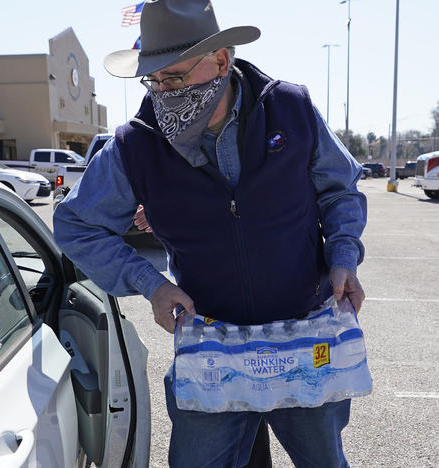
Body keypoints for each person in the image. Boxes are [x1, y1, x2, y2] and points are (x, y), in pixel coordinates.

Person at [53, 1, 367, 467]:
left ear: (222, 60)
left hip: (307, 334)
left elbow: (340, 191)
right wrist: (152, 285)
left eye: (174, 77)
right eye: (153, 80)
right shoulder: (136, 144)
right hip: (211, 348)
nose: (163, 92)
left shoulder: (291, 111)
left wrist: (343, 257)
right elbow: (75, 224)